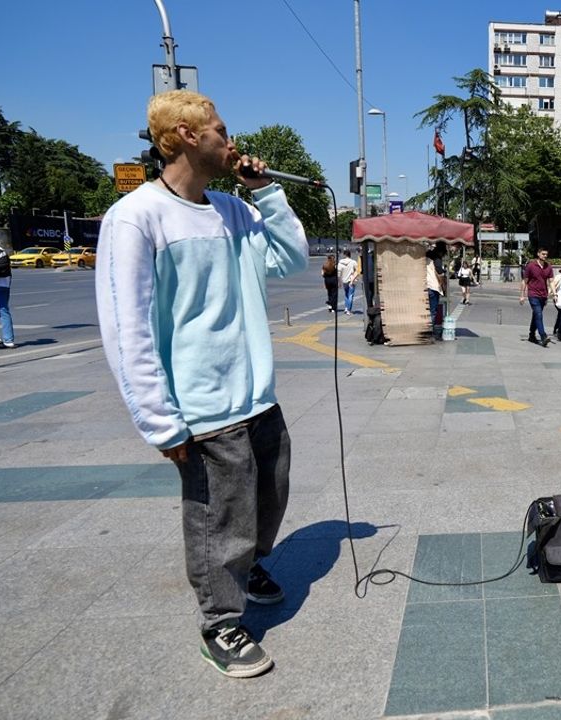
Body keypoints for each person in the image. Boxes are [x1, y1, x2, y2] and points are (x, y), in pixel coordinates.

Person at [95, 90, 309, 679]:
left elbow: (290, 260)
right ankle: (220, 622)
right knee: (220, 515)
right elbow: (126, 325)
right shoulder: (138, 217)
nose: (230, 141)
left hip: (257, 392)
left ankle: (249, 566)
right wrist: (159, 420)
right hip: (201, 404)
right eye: (220, 130)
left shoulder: (233, 211)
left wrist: (265, 192)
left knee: (269, 496)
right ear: (188, 136)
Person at [520, 248, 554, 346]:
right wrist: (522, 295)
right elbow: (524, 281)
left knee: (536, 315)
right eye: (543, 254)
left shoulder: (548, 267)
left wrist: (554, 293)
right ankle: (543, 336)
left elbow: (551, 281)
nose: (545, 256)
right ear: (538, 254)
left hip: (543, 295)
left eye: (546, 254)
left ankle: (531, 335)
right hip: (533, 294)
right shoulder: (531, 266)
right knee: (538, 314)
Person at [425, 241, 447, 337]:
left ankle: (424, 330)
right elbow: (440, 272)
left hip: (424, 285)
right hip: (433, 287)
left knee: (425, 310)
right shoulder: (437, 258)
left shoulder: (425, 256)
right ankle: (429, 332)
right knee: (432, 311)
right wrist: (443, 285)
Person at [337, 249, 358, 314]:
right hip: (351, 280)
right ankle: (349, 309)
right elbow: (357, 270)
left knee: (346, 294)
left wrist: (339, 281)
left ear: (344, 255)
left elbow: (338, 273)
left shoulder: (340, 263)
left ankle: (346, 308)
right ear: (350, 255)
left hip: (344, 280)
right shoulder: (353, 262)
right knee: (350, 295)